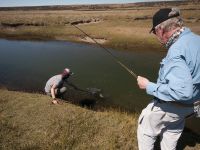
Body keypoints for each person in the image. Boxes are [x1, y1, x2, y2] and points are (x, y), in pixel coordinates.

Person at [137, 8, 200, 150]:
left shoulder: (176, 51)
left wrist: (148, 86)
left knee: (145, 127)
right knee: (172, 131)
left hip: (172, 106)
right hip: (191, 107)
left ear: (160, 30)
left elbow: (182, 92)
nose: (155, 35)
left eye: (154, 32)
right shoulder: (197, 40)